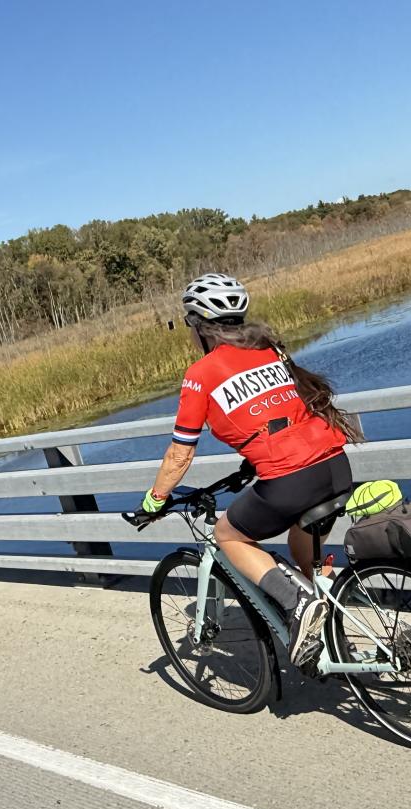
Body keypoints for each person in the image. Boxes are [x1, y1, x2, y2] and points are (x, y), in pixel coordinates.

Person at [137, 273, 362, 673]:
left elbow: (179, 455)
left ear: (197, 325)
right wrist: (250, 463)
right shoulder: (269, 350)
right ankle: (332, 635)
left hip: (291, 479)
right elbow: (280, 416)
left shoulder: (201, 374)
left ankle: (298, 605)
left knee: (227, 535)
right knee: (302, 550)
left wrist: (152, 502)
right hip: (335, 465)